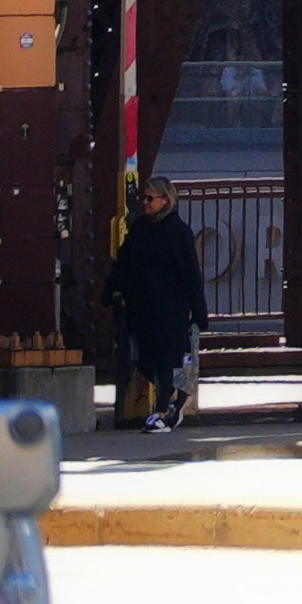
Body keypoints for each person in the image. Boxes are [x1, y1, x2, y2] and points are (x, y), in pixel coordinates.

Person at [108, 177, 209, 433]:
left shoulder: (178, 232)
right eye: (144, 197)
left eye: (150, 198)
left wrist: (198, 311)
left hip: (169, 308)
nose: (145, 203)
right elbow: (125, 262)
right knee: (143, 359)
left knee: (165, 359)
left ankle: (162, 412)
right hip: (142, 307)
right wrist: (110, 289)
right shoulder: (140, 229)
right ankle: (174, 397)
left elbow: (190, 274)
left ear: (166, 200)